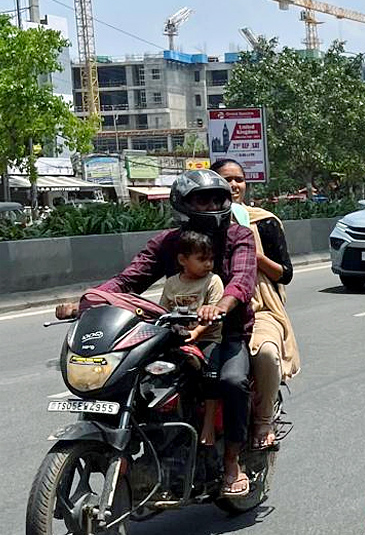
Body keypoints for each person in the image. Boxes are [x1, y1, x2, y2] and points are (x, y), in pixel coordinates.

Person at [56, 170, 258, 495]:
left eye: (217, 198)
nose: (211, 205)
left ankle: (233, 462)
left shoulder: (238, 237)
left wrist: (220, 306)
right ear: (183, 205)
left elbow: (243, 280)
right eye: (201, 199)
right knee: (129, 377)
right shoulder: (167, 243)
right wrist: (84, 302)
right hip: (174, 333)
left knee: (232, 381)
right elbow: (127, 281)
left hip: (225, 333)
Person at [213, 158, 300, 450]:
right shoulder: (200, 222)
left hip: (260, 308)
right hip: (208, 309)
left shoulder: (264, 222)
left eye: (239, 179)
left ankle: (263, 420)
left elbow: (285, 274)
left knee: (266, 355)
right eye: (226, 179)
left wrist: (254, 255)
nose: (234, 185)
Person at [160, 230, 225, 447]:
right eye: (201, 259)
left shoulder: (213, 281)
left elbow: (215, 315)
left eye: (210, 259)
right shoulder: (171, 284)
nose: (208, 264)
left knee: (211, 374)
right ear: (182, 260)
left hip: (207, 339)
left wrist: (196, 333)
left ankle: (208, 425)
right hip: (178, 340)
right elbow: (160, 312)